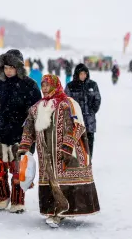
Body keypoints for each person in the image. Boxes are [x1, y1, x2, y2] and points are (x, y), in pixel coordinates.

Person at [18, 74, 100, 228]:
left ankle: (66, 209)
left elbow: (78, 125)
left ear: (55, 85)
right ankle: (53, 210)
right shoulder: (36, 107)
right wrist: (24, 146)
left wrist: (68, 146)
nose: (45, 89)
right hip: (46, 152)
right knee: (50, 178)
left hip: (67, 151)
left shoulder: (68, 103)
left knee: (64, 179)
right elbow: (28, 128)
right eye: (43, 86)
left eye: (47, 85)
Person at [0, 51, 41, 212]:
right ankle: (3, 196)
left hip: (20, 133)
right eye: (5, 67)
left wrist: (31, 135)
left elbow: (35, 112)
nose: (8, 71)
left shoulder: (30, 85)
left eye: (12, 67)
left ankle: (18, 201)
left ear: (19, 67)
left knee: (18, 170)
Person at [65, 64, 101, 157]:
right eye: (81, 74)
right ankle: (79, 165)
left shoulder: (93, 85)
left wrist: (92, 110)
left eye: (85, 74)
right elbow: (66, 101)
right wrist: (72, 114)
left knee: (89, 143)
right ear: (77, 74)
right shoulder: (70, 86)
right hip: (76, 121)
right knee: (77, 144)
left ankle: (89, 162)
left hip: (89, 121)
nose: (83, 76)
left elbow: (97, 99)